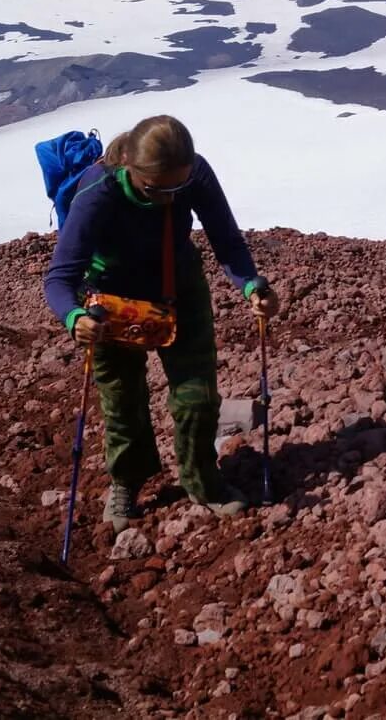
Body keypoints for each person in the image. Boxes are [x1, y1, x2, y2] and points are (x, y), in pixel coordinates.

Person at [43, 115, 279, 533]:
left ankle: (202, 480)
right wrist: (74, 316)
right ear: (131, 167)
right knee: (122, 400)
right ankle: (127, 482)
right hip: (111, 302)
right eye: (157, 190)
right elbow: (60, 277)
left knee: (198, 395)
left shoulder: (195, 174)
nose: (170, 198)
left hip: (179, 285)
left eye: (178, 188)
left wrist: (251, 286)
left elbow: (226, 239)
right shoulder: (98, 192)